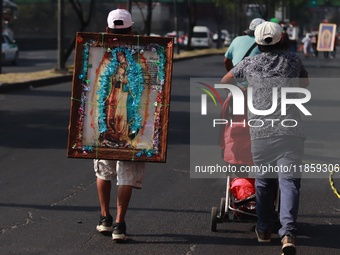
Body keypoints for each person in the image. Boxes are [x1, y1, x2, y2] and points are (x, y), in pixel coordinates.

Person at [221, 21, 309, 255]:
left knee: (264, 181)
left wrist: (248, 88)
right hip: (290, 131)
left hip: (260, 133)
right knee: (289, 182)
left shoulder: (249, 62)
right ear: (281, 39)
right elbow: (305, 84)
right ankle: (288, 232)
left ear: (257, 42)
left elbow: (225, 81)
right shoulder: (293, 60)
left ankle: (264, 229)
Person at [94, 8, 146, 242]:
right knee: (125, 173)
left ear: (107, 30)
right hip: (121, 108)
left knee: (104, 169)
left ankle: (105, 218)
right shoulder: (145, 53)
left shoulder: (96, 51)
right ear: (131, 29)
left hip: (116, 108)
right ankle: (119, 223)